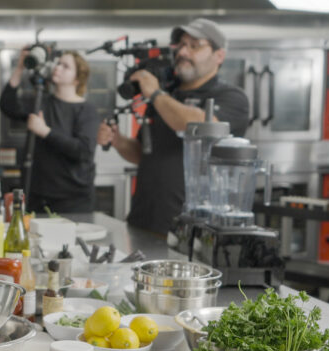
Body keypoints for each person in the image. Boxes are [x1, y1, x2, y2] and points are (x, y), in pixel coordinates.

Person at [96, 18, 250, 235]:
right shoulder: (168, 96)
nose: (183, 52)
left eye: (194, 45)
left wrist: (155, 93)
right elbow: (143, 154)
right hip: (143, 220)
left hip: (191, 229)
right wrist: (118, 141)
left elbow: (198, 124)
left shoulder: (230, 97)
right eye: (181, 45)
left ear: (219, 56)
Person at [0, 50, 100, 213]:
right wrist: (19, 69)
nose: (58, 67)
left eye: (65, 66)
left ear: (77, 78)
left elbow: (84, 151)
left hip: (72, 200)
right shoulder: (41, 102)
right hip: (38, 196)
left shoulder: (86, 110)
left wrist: (45, 132)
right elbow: (7, 105)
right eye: (58, 63)